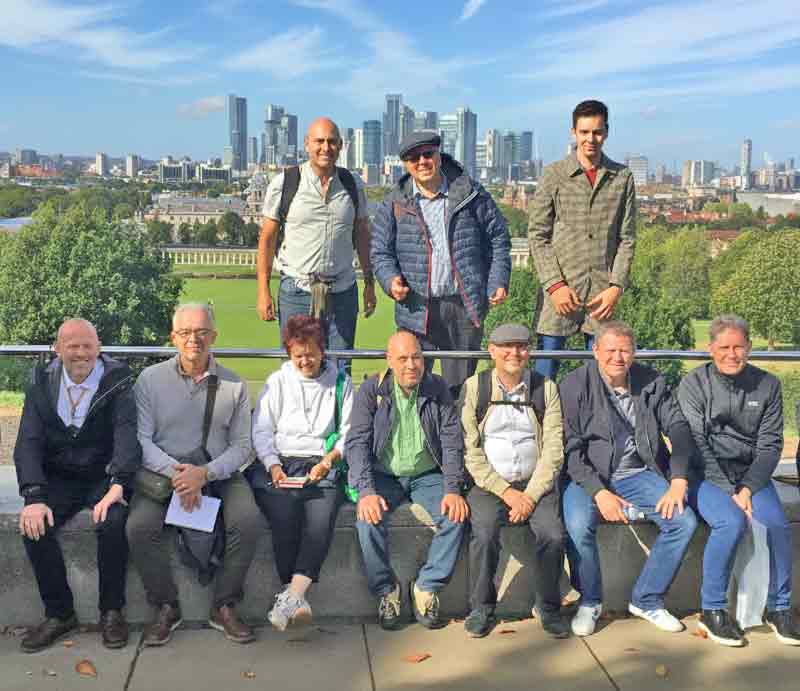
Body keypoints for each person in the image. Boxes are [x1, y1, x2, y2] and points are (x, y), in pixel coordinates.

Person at [126, 303, 262, 646]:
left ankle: (224, 604)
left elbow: (244, 445)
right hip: (163, 472)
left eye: (201, 332)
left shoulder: (234, 384)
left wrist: (205, 474)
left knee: (246, 521)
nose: (193, 340)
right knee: (139, 527)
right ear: (173, 337)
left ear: (214, 336)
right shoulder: (149, 380)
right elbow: (141, 440)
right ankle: (166, 605)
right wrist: (179, 476)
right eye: (185, 332)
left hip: (217, 470)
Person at [560, 321, 698, 637]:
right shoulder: (574, 385)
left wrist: (678, 479)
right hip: (587, 476)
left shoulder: (652, 382)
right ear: (595, 351)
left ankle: (647, 599)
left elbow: (678, 428)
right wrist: (598, 492)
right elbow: (569, 447)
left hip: (637, 473)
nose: (618, 357)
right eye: (610, 350)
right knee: (579, 526)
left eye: (625, 350)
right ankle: (591, 600)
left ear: (633, 352)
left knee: (683, 522)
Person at [14, 318, 141, 652]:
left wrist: (119, 484)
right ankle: (60, 613)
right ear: (58, 350)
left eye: (88, 346)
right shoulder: (40, 380)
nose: (81, 353)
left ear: (98, 348)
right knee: (33, 526)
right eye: (73, 346)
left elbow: (126, 435)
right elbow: (28, 440)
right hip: (60, 477)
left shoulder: (118, 379)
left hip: (104, 475)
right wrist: (33, 494)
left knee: (114, 523)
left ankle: (111, 611)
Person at [678, 315, 800, 646]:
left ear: (749, 347)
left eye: (739, 347)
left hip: (750, 475)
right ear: (711, 349)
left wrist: (747, 488)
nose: (732, 354)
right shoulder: (693, 384)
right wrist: (731, 492)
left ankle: (780, 608)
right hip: (704, 473)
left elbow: (771, 444)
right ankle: (713, 609)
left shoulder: (769, 385)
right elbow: (696, 443)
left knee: (776, 524)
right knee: (729, 523)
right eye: (724, 347)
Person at [371, 131, 511, 399]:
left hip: (462, 306)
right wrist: (389, 280)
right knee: (412, 388)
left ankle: (455, 441)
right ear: (405, 164)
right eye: (413, 158)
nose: (422, 161)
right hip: (415, 307)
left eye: (427, 154)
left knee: (460, 392)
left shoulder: (471, 194)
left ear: (438, 154)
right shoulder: (394, 202)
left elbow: (498, 239)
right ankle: (419, 441)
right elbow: (380, 251)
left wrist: (497, 281)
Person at [346, 331, 469, 630]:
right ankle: (387, 591)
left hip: (427, 475)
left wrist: (452, 488)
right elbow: (357, 443)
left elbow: (452, 442)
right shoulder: (372, 390)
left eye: (416, 357)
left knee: (456, 515)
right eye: (402, 358)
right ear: (389, 361)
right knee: (367, 520)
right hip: (384, 475)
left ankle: (427, 586)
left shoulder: (437, 388)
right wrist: (365, 491)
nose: (411, 365)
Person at [461, 323, 569, 638]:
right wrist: (508, 493)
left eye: (521, 346)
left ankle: (548, 607)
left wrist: (531, 496)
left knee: (552, 534)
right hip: (490, 484)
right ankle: (481, 607)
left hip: (535, 482)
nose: (514, 353)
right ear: (491, 351)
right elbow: (471, 452)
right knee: (484, 531)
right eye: (506, 346)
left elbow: (553, 448)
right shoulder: (475, 388)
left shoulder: (545, 387)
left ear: (529, 351)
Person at [251, 315, 353, 630]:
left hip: (323, 464)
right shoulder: (277, 381)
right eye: (298, 356)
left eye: (311, 353)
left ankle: (291, 597)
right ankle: (295, 598)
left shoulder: (340, 382)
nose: (305, 361)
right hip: (281, 462)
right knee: (284, 517)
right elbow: (262, 428)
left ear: (323, 350)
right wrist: (273, 465)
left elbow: (350, 429)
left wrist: (329, 460)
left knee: (320, 522)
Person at [528, 100, 636, 379]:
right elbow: (537, 235)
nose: (591, 139)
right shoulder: (554, 175)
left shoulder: (622, 178)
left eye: (597, 132)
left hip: (602, 295)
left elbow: (627, 238)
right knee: (544, 377)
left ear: (607, 133)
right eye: (585, 132)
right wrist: (555, 285)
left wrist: (616, 287)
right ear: (573, 133)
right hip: (559, 294)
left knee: (603, 377)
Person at [256, 117, 376, 365]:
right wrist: (263, 291)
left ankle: (337, 407)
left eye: (332, 142)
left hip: (343, 290)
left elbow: (363, 236)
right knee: (296, 367)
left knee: (340, 368)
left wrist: (370, 283)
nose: (325, 147)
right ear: (306, 144)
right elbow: (267, 240)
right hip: (297, 289)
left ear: (341, 145)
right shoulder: (286, 182)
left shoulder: (353, 185)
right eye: (319, 141)